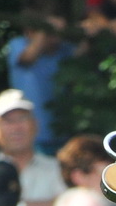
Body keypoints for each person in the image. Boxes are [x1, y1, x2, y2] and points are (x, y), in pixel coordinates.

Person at [5, 14, 75, 151]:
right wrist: (45, 29)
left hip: (63, 134)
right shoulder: (18, 44)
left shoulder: (63, 50)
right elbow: (27, 58)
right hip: (32, 137)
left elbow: (81, 55)